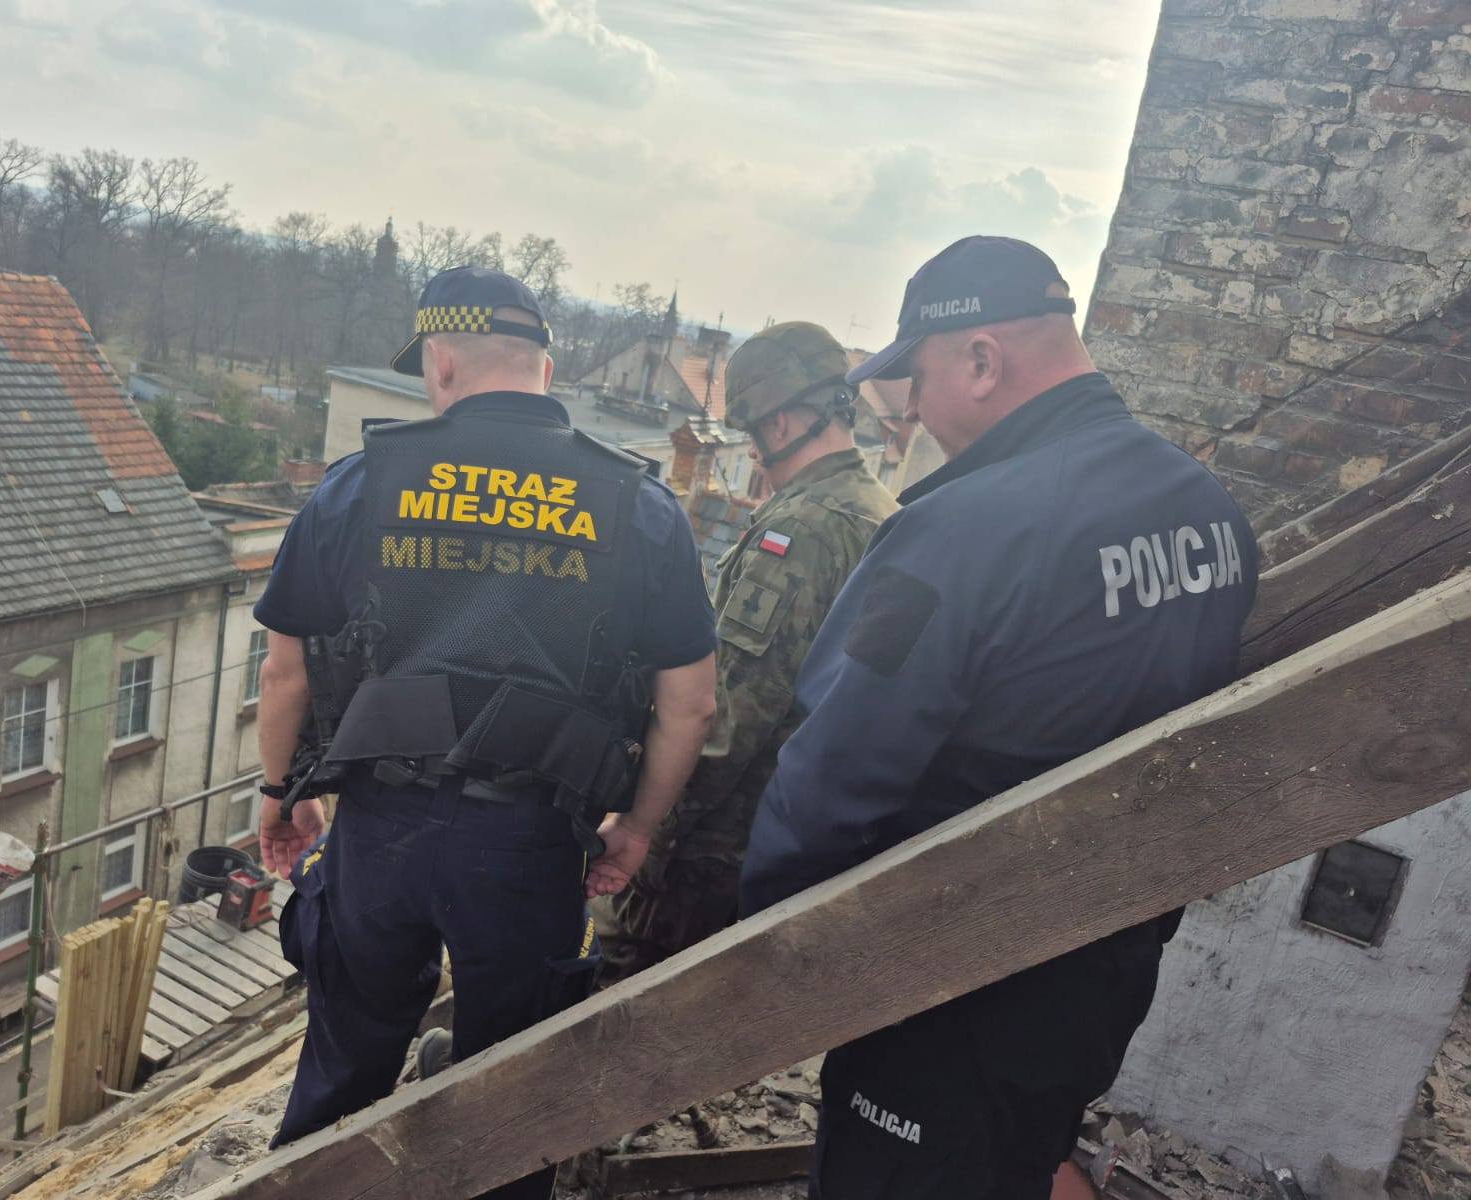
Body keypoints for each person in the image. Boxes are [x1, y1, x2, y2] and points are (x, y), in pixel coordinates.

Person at [739, 237, 1259, 1200]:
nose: (911, 410)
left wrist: (761, 949)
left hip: (946, 978)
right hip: (1099, 970)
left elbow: (835, 777)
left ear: (981, 359)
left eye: (919, 378)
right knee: (1014, 1164)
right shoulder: (1207, 512)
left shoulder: (963, 529)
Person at [253, 266, 717, 1199]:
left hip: (379, 831)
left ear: (441, 361)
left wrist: (280, 797)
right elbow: (690, 705)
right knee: (514, 1097)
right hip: (531, 841)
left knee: (342, 1070)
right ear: (544, 368)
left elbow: (285, 671)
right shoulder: (635, 504)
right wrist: (636, 827)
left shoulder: (358, 485)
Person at [593, 322, 897, 984]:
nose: (754, 454)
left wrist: (645, 826)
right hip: (788, 830)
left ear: (780, 422)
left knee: (620, 992)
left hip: (711, 846)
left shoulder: (803, 528)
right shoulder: (880, 511)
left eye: (753, 433)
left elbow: (729, 711)